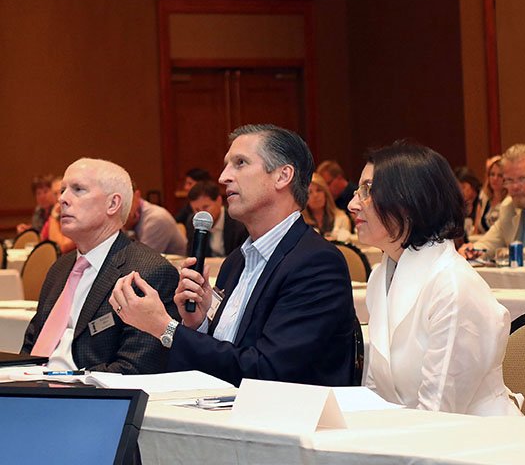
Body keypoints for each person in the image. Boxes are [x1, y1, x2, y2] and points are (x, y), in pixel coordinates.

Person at [110, 124, 355, 387]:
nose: (223, 177)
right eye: (227, 165)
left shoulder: (316, 263)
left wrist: (164, 327)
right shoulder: (236, 261)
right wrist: (199, 324)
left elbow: (269, 373)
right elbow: (229, 356)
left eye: (240, 163)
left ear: (282, 176)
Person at [348, 139, 521, 416]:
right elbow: (377, 390)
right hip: (409, 432)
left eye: (367, 191)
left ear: (409, 201)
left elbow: (439, 411)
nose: (353, 204)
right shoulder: (381, 275)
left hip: (473, 434)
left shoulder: (453, 285)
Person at [21, 158, 180, 374]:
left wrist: (63, 382)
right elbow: (30, 345)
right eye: (63, 190)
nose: (62, 199)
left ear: (112, 204)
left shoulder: (148, 273)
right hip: (31, 385)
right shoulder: (60, 268)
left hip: (85, 390)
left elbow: (134, 368)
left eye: (78, 189)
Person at [460, 143, 525, 265]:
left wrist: (504, 254)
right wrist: (472, 250)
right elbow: (490, 242)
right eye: (509, 180)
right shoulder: (508, 206)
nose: (514, 187)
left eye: (522, 179)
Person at [185, 180, 248, 257]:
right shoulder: (195, 222)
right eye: (197, 210)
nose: (202, 213)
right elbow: (192, 255)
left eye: (206, 207)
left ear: (219, 200)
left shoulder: (238, 221)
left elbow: (242, 257)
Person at [125, 182, 187, 256]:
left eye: (125, 200)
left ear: (137, 195)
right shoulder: (132, 217)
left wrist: (126, 228)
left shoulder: (156, 219)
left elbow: (143, 259)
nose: (121, 207)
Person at [302, 172, 351, 240]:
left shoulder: (341, 218)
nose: (315, 195)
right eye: (310, 192)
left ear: (326, 193)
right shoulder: (299, 222)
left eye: (319, 190)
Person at [40, 176, 76, 253]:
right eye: (55, 194)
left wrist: (53, 216)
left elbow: (62, 247)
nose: (59, 197)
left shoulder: (76, 215)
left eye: (61, 192)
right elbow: (43, 239)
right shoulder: (56, 215)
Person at [474, 156, 507, 233]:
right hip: (481, 239)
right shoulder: (484, 199)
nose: (495, 178)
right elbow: (476, 229)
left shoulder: (509, 201)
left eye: (500, 175)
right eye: (492, 174)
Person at [454, 166, 481, 237]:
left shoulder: (482, 199)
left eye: (463, 187)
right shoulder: (458, 203)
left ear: (473, 184)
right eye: (458, 188)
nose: (460, 191)